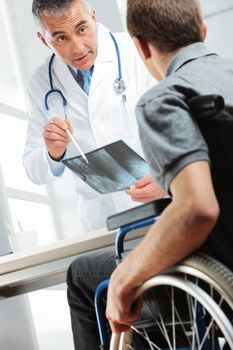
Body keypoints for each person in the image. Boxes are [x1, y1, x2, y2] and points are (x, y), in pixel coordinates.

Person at [67, 0, 233, 347]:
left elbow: (197, 209)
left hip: (215, 276)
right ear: (203, 29)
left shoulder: (166, 99)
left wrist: (126, 276)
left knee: (84, 277)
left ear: (140, 45)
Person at [23, 0, 165, 235]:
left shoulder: (137, 51)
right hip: (102, 223)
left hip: (160, 207)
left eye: (82, 29)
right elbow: (32, 168)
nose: (77, 48)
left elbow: (185, 126)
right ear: (43, 39)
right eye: (61, 38)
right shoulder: (40, 84)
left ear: (94, 18)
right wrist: (53, 153)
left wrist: (168, 178)